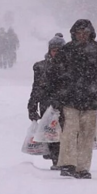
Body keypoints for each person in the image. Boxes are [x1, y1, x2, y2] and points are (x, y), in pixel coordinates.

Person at [46, 20, 97, 179]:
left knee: (87, 134)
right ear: (74, 34)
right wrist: (55, 96)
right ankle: (68, 164)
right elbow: (55, 75)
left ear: (91, 33)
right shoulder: (67, 51)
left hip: (91, 100)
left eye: (85, 33)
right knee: (70, 131)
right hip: (69, 99)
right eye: (80, 33)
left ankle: (82, 167)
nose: (83, 36)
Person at [28, 33, 66, 170]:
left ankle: (63, 160)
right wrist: (32, 107)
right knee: (51, 133)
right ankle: (56, 160)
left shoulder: (70, 66)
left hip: (65, 104)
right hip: (47, 105)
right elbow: (36, 88)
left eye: (59, 50)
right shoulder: (41, 67)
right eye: (54, 50)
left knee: (64, 132)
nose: (56, 53)